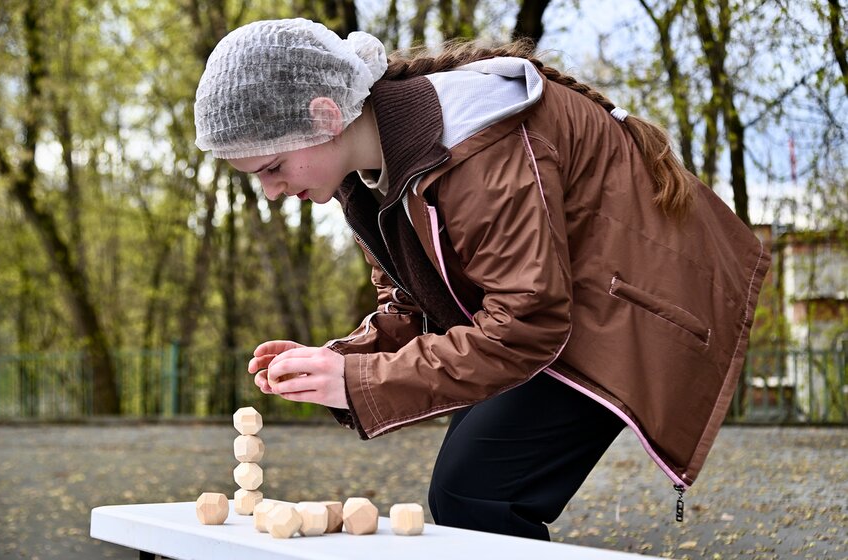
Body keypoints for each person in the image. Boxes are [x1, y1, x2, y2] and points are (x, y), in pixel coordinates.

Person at [194, 18, 770, 540]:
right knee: (468, 490)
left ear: (325, 116)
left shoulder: (474, 148)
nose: (269, 190)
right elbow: (413, 306)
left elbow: (529, 322)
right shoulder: (362, 177)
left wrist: (359, 379)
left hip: (629, 306)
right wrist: (336, 362)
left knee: (476, 489)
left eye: (271, 167)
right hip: (545, 311)